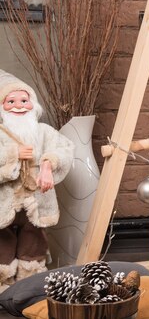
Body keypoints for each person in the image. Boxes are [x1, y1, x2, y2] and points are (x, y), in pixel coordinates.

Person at [0, 70, 74, 292]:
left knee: (34, 236)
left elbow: (64, 149)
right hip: (6, 201)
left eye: (24, 100)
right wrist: (13, 154)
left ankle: (29, 280)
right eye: (10, 101)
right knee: (2, 237)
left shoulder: (43, 131)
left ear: (32, 104)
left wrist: (48, 164)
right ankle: (3, 279)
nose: (18, 106)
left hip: (36, 199)